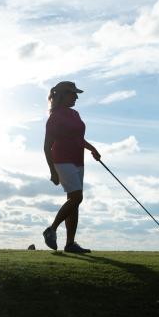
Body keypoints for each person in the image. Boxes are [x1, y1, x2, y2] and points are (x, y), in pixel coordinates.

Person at [43, 81, 100, 253]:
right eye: (72, 94)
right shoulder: (54, 117)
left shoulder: (75, 114)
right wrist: (52, 171)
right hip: (62, 160)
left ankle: (70, 244)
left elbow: (78, 139)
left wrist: (93, 149)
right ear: (62, 95)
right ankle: (51, 229)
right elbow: (47, 146)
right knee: (77, 198)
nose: (76, 96)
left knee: (74, 202)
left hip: (78, 160)